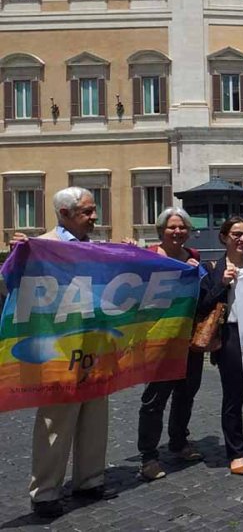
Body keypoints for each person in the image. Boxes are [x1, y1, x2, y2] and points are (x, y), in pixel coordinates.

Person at [17, 188, 108, 518]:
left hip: (95, 344)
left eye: (93, 210)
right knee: (56, 420)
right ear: (65, 214)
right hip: (57, 348)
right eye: (87, 212)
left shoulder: (98, 249)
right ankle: (46, 491)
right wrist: (20, 257)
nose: (94, 217)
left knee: (95, 414)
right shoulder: (42, 247)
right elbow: (11, 286)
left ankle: (90, 479)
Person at [136, 207, 205, 482]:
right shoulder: (148, 256)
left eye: (182, 228)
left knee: (186, 393)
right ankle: (148, 456)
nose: (177, 232)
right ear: (161, 231)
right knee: (154, 399)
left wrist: (197, 273)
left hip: (188, 337)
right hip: (157, 339)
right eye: (172, 227)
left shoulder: (194, 256)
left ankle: (178, 442)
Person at [198, 216, 243, 475]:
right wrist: (222, 284)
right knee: (233, 396)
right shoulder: (213, 268)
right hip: (230, 335)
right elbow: (202, 305)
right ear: (224, 237)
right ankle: (236, 452)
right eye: (236, 234)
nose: (242, 239)